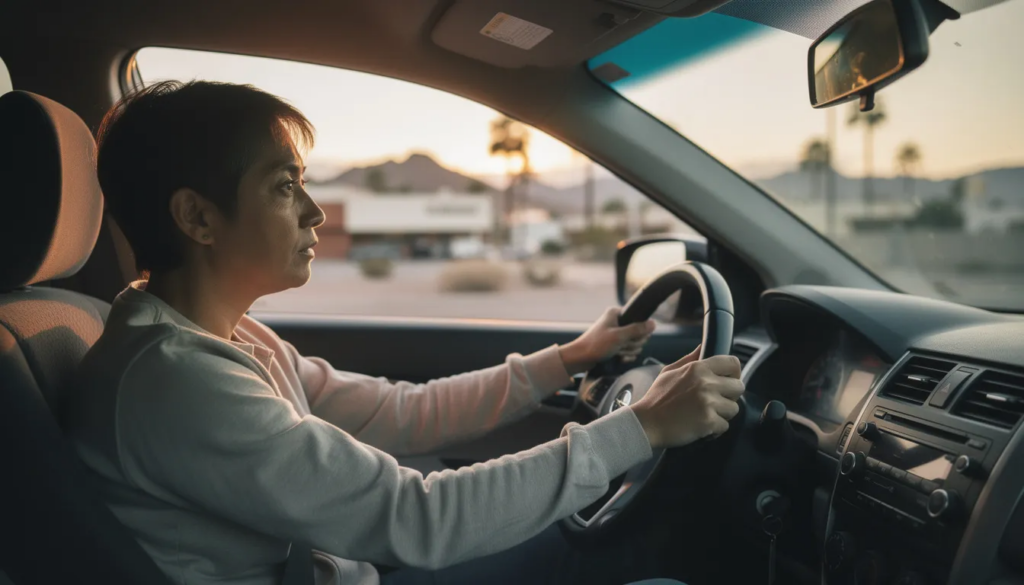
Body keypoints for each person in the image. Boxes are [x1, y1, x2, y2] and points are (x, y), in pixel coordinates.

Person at [65, 81, 744, 585]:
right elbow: (416, 516)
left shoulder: (230, 339)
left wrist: (569, 358)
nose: (313, 213)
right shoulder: (176, 381)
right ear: (198, 217)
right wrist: (641, 427)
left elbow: (400, 412)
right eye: (282, 187)